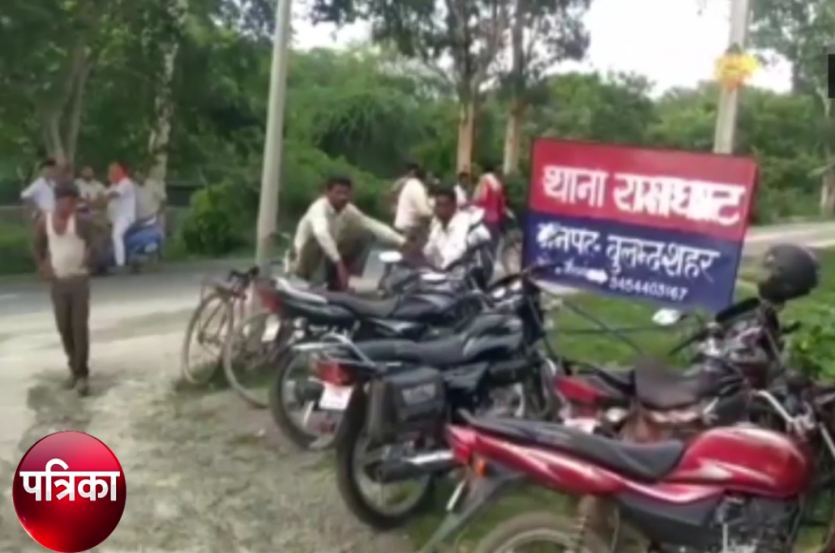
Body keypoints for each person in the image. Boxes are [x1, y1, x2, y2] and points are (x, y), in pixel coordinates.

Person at [33, 183, 94, 396]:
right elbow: (38, 246)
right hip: (58, 282)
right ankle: (73, 368)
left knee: (79, 328)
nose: (67, 206)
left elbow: (98, 240)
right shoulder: (45, 222)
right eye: (64, 202)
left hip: (79, 281)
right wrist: (42, 266)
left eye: (71, 203)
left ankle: (82, 375)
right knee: (64, 327)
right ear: (57, 201)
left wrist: (89, 257)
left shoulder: (81, 222)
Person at [293, 176, 406, 290]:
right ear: (327, 192)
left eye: (346, 193)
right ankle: (316, 283)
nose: (343, 197)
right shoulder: (318, 208)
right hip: (305, 260)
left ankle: (338, 281)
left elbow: (371, 224)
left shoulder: (348, 210)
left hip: (330, 258)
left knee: (364, 234)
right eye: (338, 193)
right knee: (319, 240)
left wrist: (402, 241)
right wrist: (339, 263)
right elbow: (321, 233)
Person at [422, 187, 473, 270]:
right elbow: (428, 250)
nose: (440, 209)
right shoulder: (438, 227)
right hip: (439, 271)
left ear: (454, 206)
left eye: (444, 205)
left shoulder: (462, 223)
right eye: (438, 205)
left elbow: (456, 254)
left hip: (459, 271)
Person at [104, 162, 137, 269]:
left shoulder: (125, 183)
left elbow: (115, 194)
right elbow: (104, 195)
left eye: (112, 172)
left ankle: (120, 264)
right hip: (116, 218)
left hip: (126, 217)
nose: (109, 175)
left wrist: (104, 197)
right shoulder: (114, 185)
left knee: (116, 235)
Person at [394, 163, 433, 243]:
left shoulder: (411, 185)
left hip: (404, 227)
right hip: (409, 229)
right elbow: (424, 212)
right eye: (429, 178)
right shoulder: (417, 187)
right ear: (425, 178)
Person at [472, 162, 507, 243]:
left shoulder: (487, 181)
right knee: (493, 239)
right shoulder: (495, 184)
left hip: (485, 215)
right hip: (491, 217)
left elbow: (480, 197)